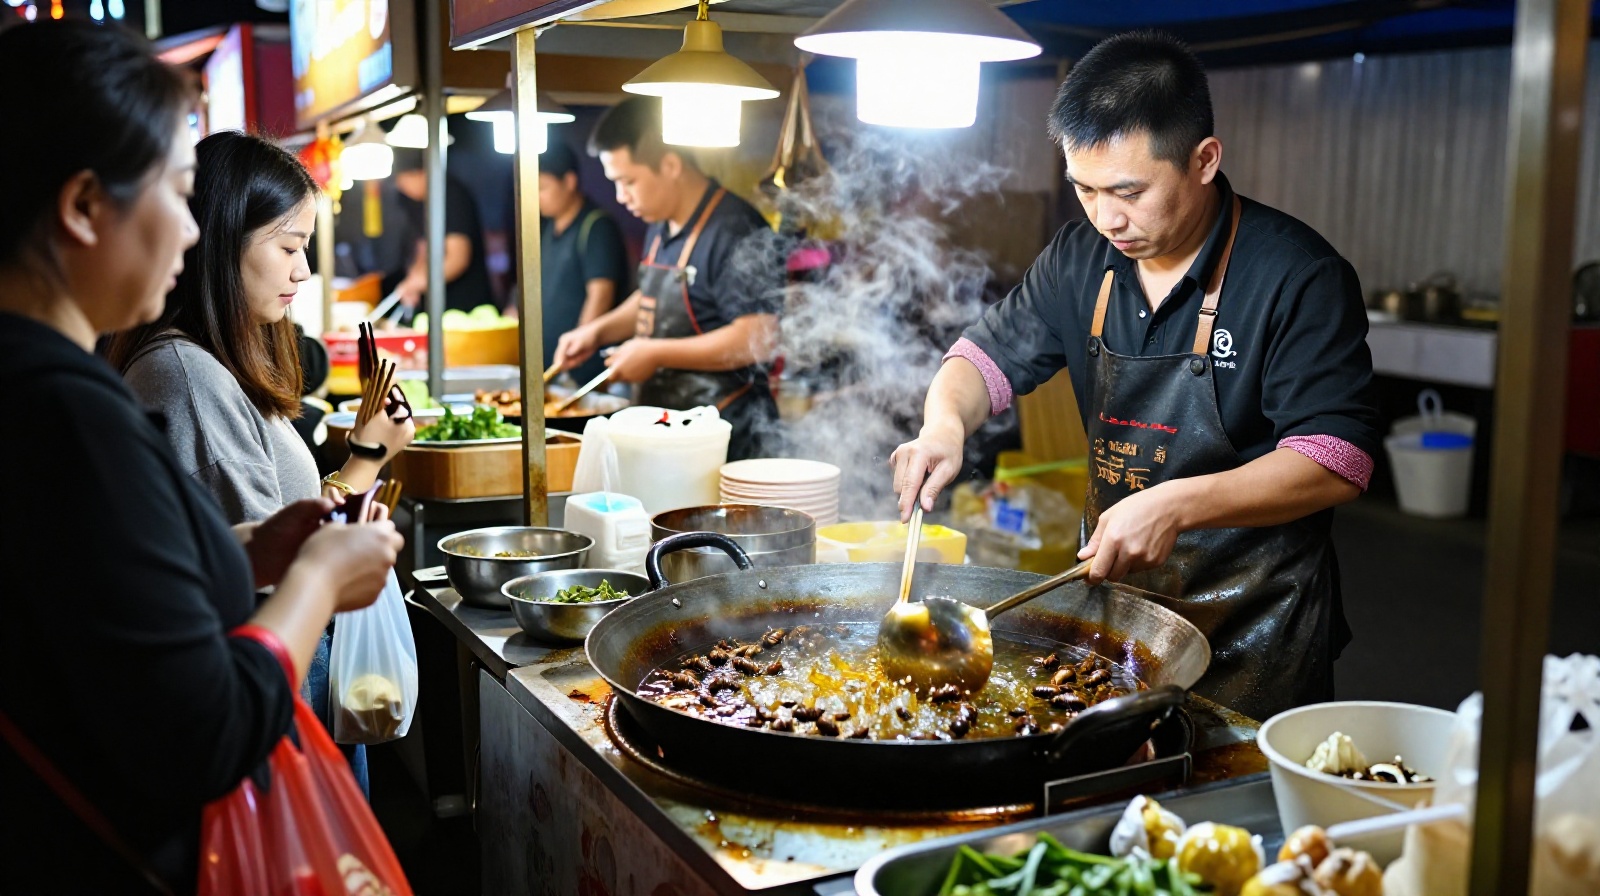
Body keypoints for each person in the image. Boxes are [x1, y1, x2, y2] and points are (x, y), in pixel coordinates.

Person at [0, 20, 402, 893]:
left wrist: (247, 546)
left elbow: (111, 594)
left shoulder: (46, 388)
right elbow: (206, 728)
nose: (192, 233)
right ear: (82, 206)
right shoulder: (66, 413)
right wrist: (318, 582)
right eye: (178, 195)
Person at [890, 31, 1379, 722]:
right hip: (1116, 612)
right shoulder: (1078, 259)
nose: (1106, 217)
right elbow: (982, 358)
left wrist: (1176, 503)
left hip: (1256, 633)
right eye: (1084, 189)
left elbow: (1338, 458)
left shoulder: (1296, 275)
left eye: (1128, 191)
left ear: (1204, 159)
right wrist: (943, 426)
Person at [107, 131, 417, 794]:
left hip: (291, 683)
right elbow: (259, 584)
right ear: (222, 242)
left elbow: (274, 522)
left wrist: (365, 456)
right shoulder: (187, 377)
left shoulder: (217, 362)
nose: (302, 271)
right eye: (289, 247)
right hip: (273, 703)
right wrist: (331, 570)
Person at [552, 97, 782, 461]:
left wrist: (656, 353)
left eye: (628, 181)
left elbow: (759, 335)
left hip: (727, 439)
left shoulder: (734, 230)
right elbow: (651, 295)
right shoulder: (661, 222)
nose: (620, 196)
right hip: (672, 433)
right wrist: (597, 331)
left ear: (671, 165)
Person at [528, 141, 629, 383]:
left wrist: (577, 353)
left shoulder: (596, 227)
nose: (535, 197)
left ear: (569, 182)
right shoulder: (547, 227)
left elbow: (600, 295)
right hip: (550, 365)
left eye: (542, 188)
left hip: (581, 371)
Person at [387, 146, 494, 313]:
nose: (401, 186)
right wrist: (413, 281)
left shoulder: (452, 195)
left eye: (403, 179)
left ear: (422, 173)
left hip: (467, 307)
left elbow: (457, 257)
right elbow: (424, 248)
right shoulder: (417, 202)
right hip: (435, 307)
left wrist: (419, 282)